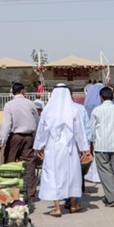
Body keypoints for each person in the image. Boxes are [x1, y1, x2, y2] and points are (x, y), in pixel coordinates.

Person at [34, 84, 90, 217]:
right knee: (72, 175)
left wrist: (38, 147)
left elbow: (42, 131)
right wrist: (83, 148)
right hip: (70, 148)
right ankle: (74, 205)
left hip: (53, 147)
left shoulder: (48, 110)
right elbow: (80, 131)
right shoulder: (74, 110)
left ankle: (57, 207)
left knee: (53, 175)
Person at [0, 82, 39, 204]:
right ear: (23, 91)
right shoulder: (30, 104)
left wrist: (2, 142)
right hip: (29, 137)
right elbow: (36, 122)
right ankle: (30, 195)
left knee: (10, 164)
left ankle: (10, 194)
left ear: (12, 92)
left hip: (15, 137)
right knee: (29, 165)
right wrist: (36, 140)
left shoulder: (9, 105)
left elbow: (7, 124)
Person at [90, 86, 114, 207]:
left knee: (105, 171)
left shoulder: (96, 111)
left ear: (101, 97)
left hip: (101, 145)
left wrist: (91, 144)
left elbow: (91, 130)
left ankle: (112, 197)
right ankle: (112, 194)